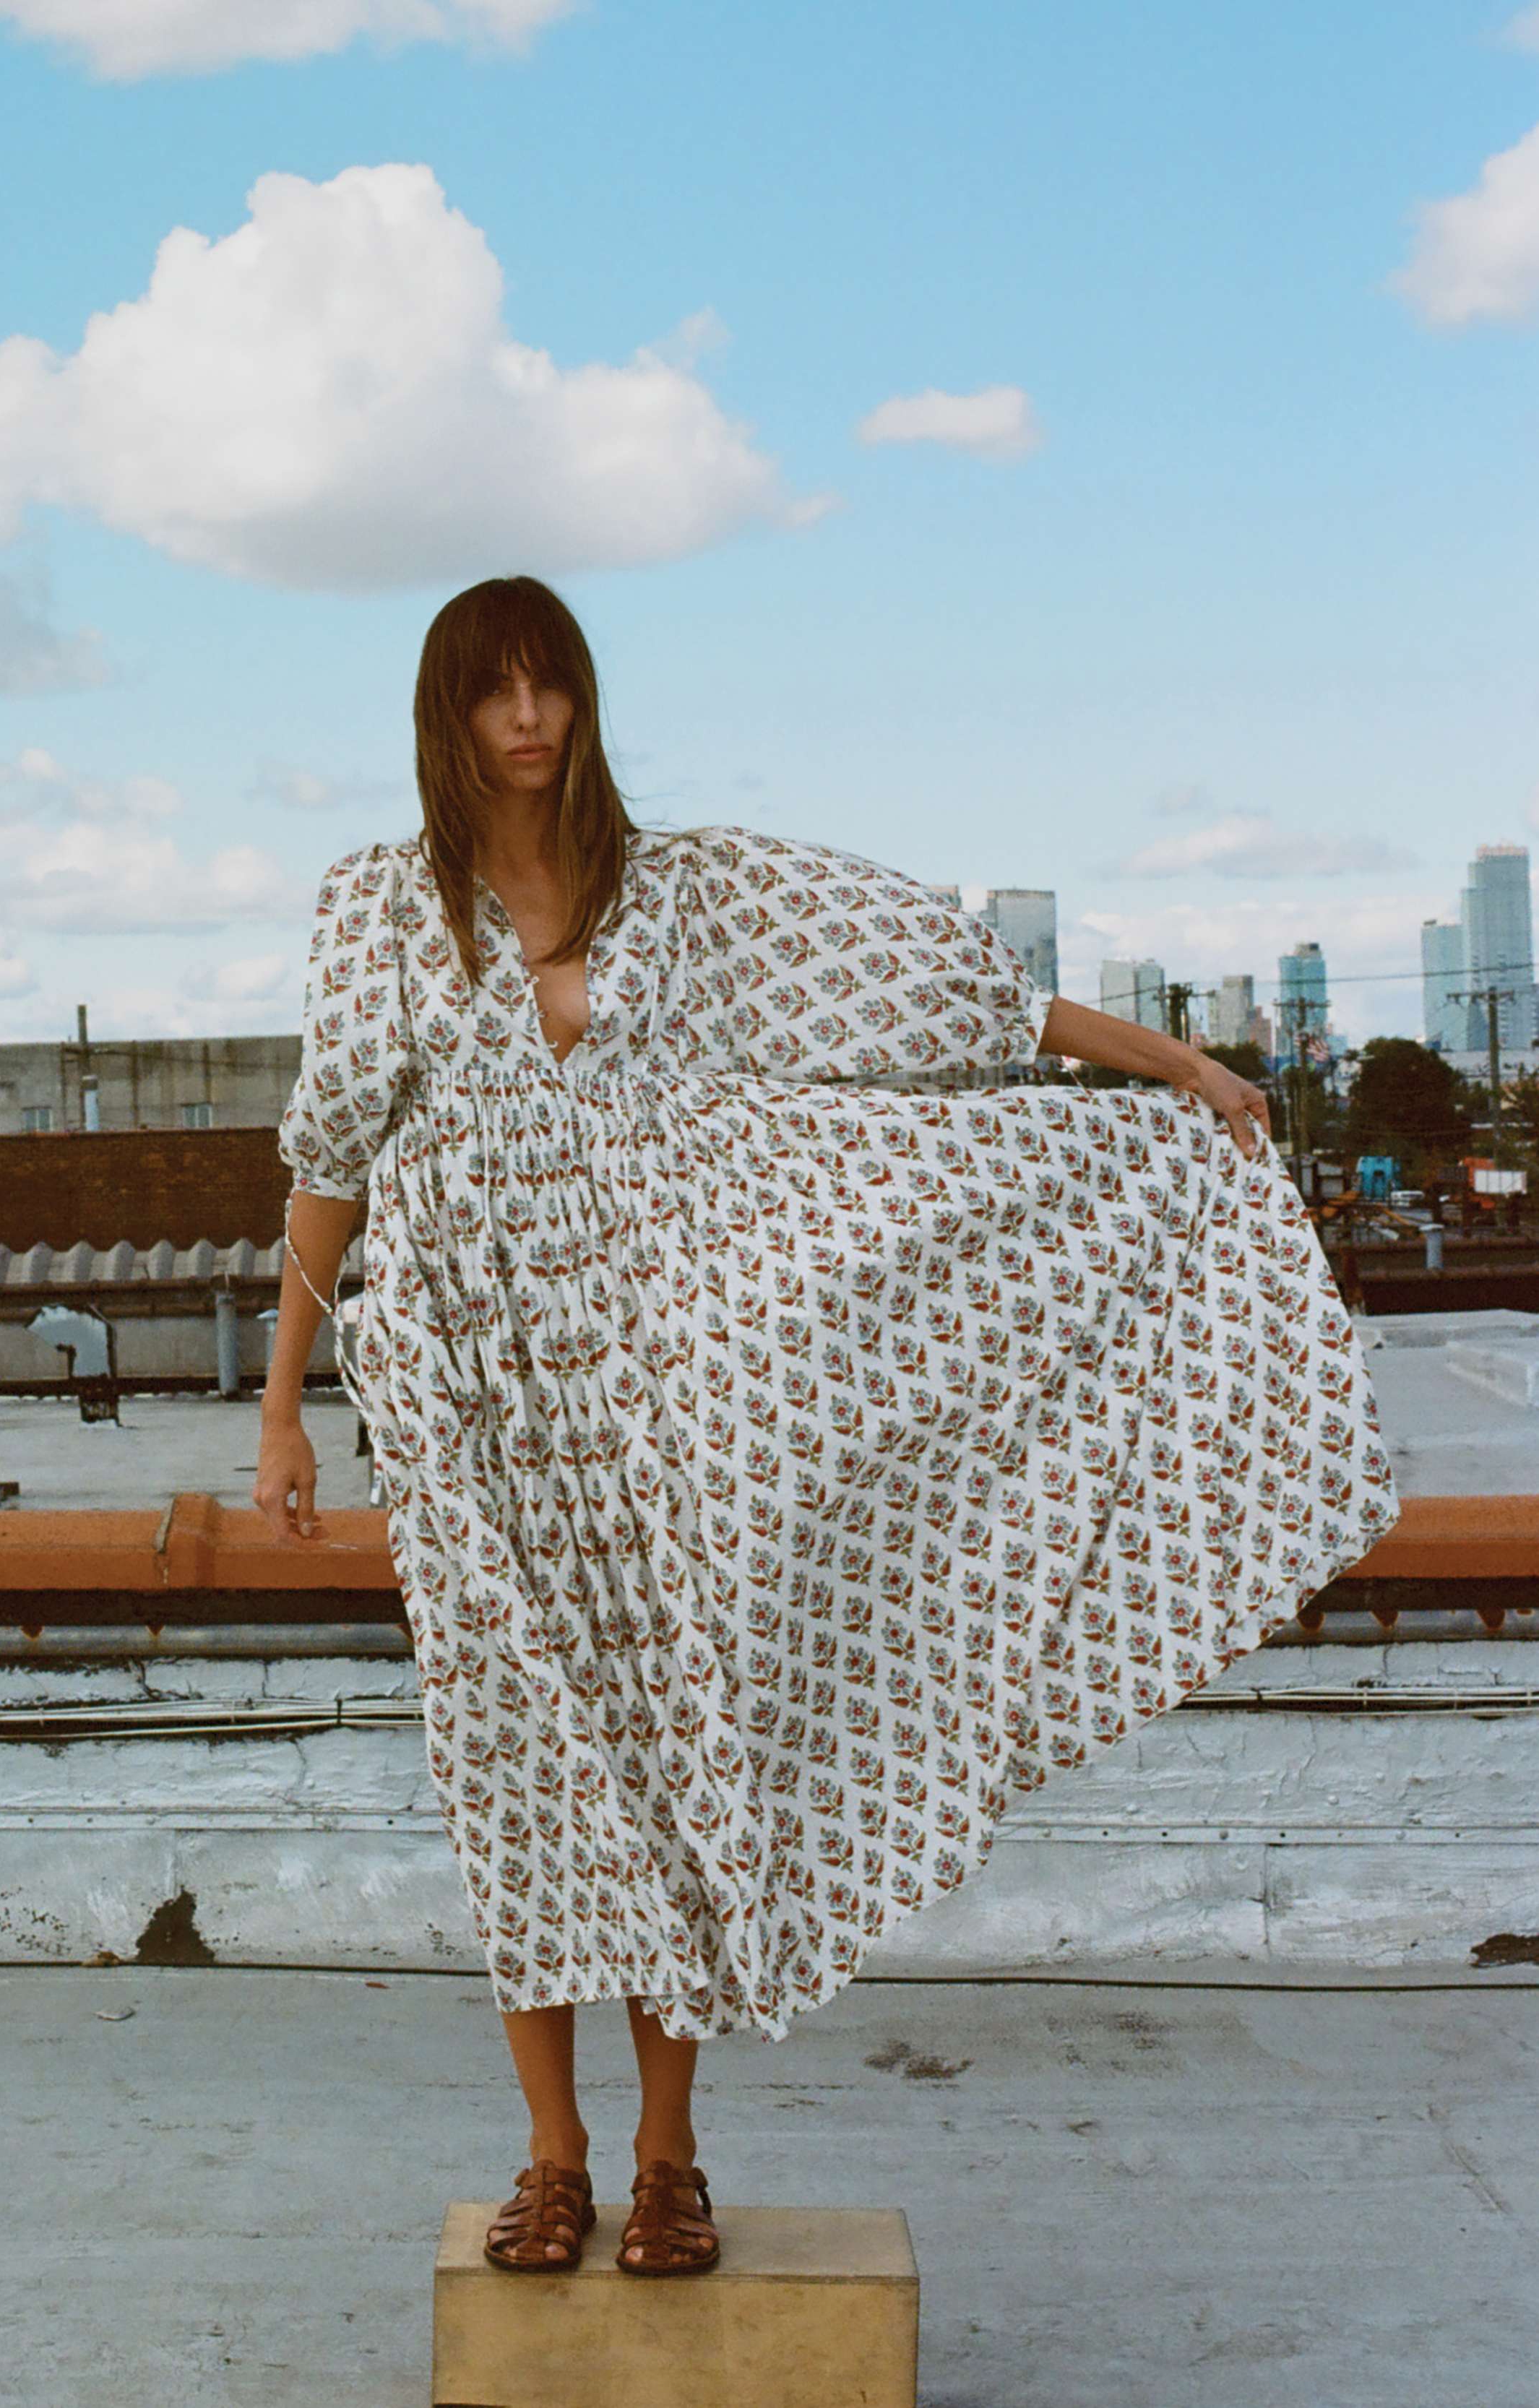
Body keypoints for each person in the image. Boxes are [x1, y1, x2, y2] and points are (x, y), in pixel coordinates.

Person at [254, 574, 1401, 2277]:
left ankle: (662, 2159)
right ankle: (547, 2157)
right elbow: (327, 1162)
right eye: (493, 690)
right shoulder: (378, 910)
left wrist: (1170, 1065)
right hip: (472, 1401)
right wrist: (279, 1402)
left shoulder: (683, 888)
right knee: (513, 1769)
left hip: (658, 1387)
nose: (526, 719)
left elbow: (941, 1001)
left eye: (549, 683)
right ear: (444, 711)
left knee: (674, 1752)